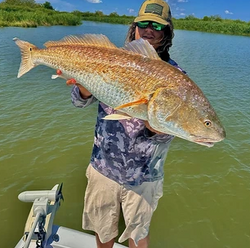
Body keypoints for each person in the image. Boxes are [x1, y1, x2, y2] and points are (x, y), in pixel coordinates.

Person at [70, 0, 186, 247]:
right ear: (134, 27)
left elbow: (173, 131)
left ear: (167, 32)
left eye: (157, 25)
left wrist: (159, 131)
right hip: (103, 167)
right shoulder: (111, 59)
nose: (149, 29)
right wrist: (83, 89)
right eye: (143, 23)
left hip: (145, 175)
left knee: (138, 236)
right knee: (102, 233)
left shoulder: (176, 76)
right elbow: (79, 103)